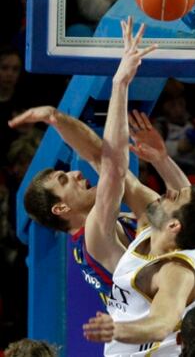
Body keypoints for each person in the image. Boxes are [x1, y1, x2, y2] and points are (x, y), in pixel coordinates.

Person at [7, 22, 184, 298]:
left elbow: (101, 157)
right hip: (160, 337)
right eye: (64, 180)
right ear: (61, 209)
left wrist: (56, 117)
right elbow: (113, 168)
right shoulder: (93, 238)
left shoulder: (123, 221)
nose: (77, 174)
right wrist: (119, 82)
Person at [81, 18, 195, 356]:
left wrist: (117, 329)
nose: (168, 191)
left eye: (175, 198)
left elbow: (161, 322)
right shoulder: (164, 228)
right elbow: (115, 169)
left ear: (175, 225)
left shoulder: (176, 272)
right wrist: (120, 84)